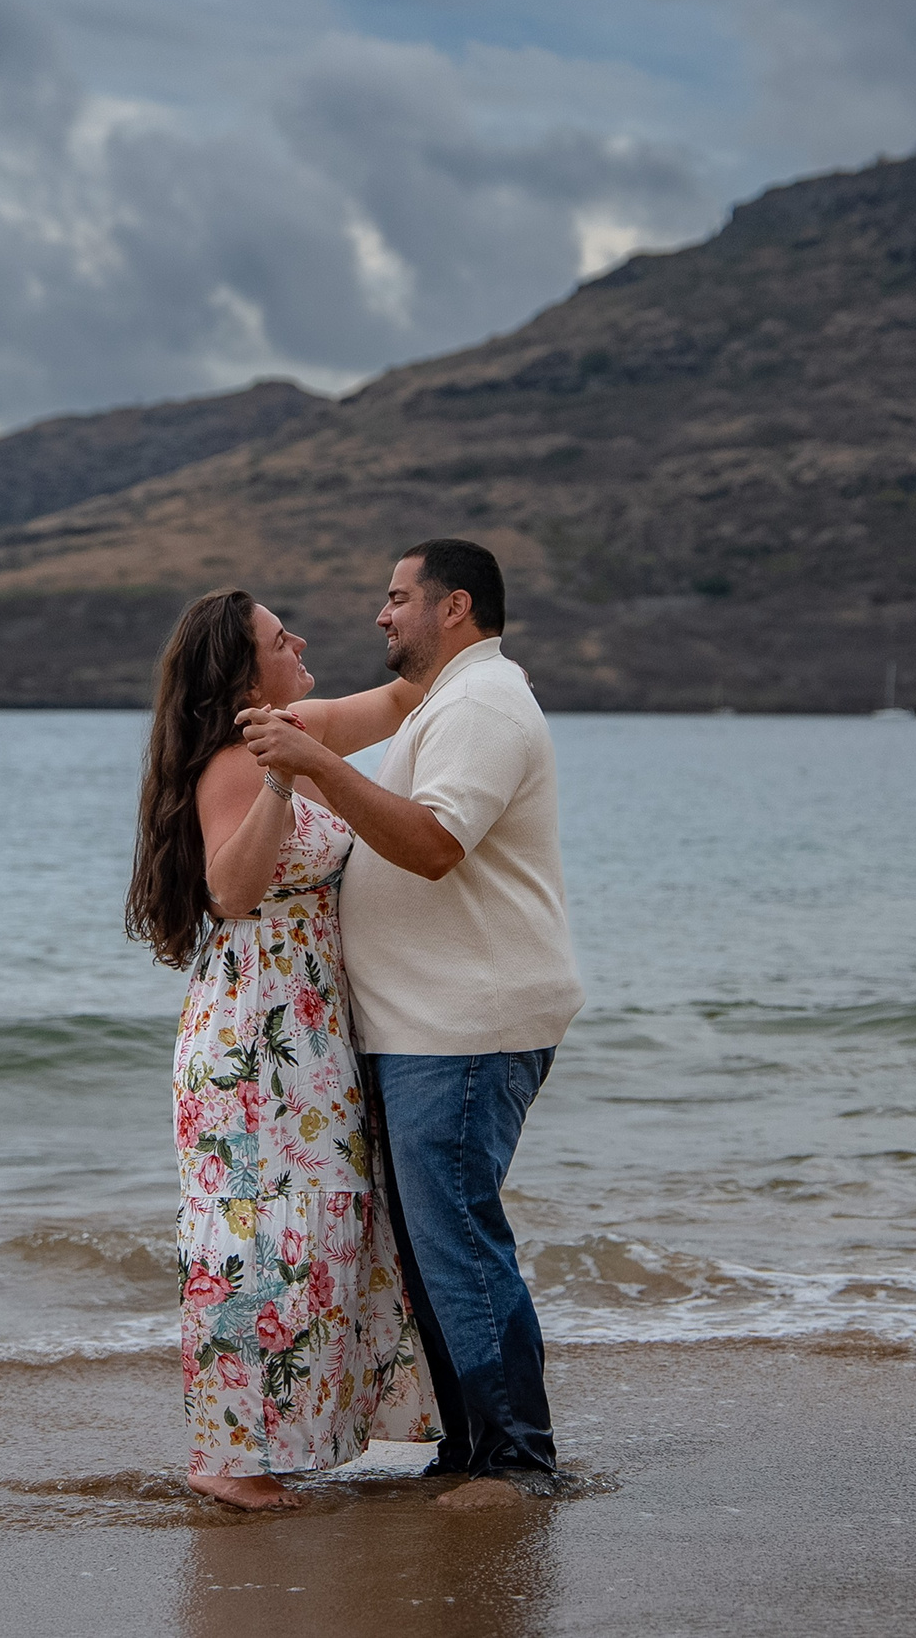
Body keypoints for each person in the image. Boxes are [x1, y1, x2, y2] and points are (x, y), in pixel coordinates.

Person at [240, 539, 584, 1508]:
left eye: (396, 599)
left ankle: (516, 1462)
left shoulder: (481, 705)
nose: (380, 616)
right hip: (428, 1026)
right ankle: (469, 1449)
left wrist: (313, 762)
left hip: (465, 1027)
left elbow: (433, 845)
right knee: (436, 1246)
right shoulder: (444, 701)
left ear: (454, 607)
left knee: (460, 1241)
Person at [125, 589, 439, 1512]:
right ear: (239, 670)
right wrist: (278, 776)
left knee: (317, 1229)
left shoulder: (294, 728)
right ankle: (224, 1457)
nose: (299, 639)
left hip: (306, 1027)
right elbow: (230, 889)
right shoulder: (235, 762)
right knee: (249, 1236)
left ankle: (282, 1438)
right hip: (253, 1036)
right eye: (277, 637)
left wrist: (476, 666)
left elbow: (395, 703)